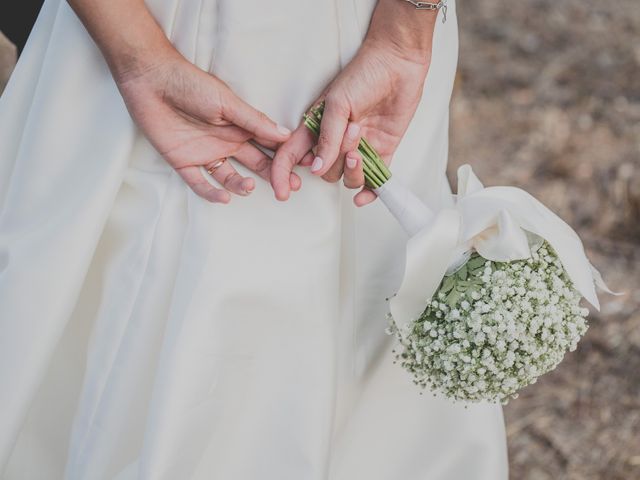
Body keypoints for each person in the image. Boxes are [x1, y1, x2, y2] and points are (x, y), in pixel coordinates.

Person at [0, 0, 508, 478]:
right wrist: (140, 58)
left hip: (373, 34)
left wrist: (404, 32)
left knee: (373, 303)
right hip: (161, 28)